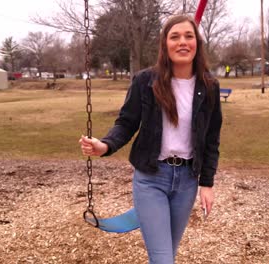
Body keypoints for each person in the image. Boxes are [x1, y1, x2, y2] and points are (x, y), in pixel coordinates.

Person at [79, 14, 222, 264]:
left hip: (187, 181)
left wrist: (207, 184)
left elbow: (211, 138)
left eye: (189, 36)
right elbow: (126, 122)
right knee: (162, 259)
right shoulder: (146, 81)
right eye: (174, 36)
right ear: (164, 44)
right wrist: (105, 145)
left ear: (197, 43)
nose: (182, 42)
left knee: (168, 254)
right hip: (151, 180)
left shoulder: (208, 85)